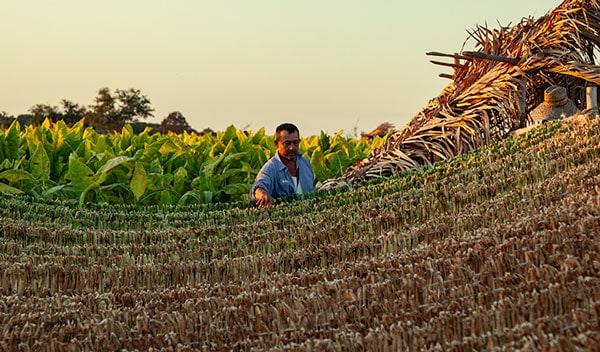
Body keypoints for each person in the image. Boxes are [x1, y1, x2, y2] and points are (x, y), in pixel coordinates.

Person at [250, 123, 315, 208]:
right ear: (276, 144)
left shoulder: (305, 164)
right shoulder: (271, 168)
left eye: (295, 143)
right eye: (287, 143)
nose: (292, 147)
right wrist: (262, 193)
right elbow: (259, 186)